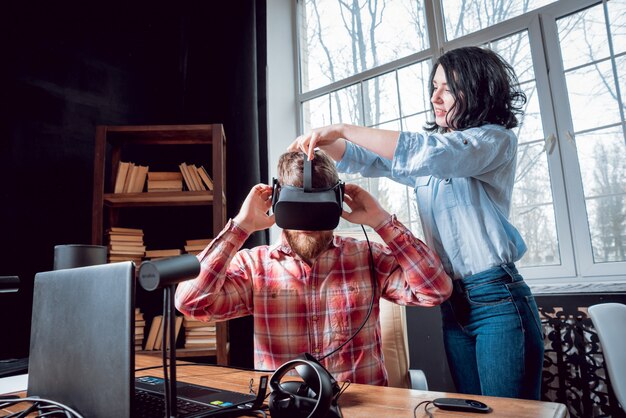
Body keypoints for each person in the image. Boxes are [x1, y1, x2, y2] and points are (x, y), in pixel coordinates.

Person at [288, 46, 544, 400]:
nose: (435, 97)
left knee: (510, 413)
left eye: (448, 88)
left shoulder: (495, 140)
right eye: (433, 87)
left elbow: (431, 153)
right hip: (453, 303)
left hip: (498, 299)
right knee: (477, 409)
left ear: (477, 89)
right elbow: (375, 160)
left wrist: (343, 129)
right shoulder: (433, 161)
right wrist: (324, 145)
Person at [175, 150, 452, 386]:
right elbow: (190, 303)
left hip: (362, 408)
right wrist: (241, 226)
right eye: (298, 209)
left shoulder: (368, 257)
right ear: (276, 200)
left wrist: (381, 221)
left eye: (316, 210)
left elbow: (435, 291)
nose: (307, 225)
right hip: (288, 407)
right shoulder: (255, 266)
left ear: (337, 201)